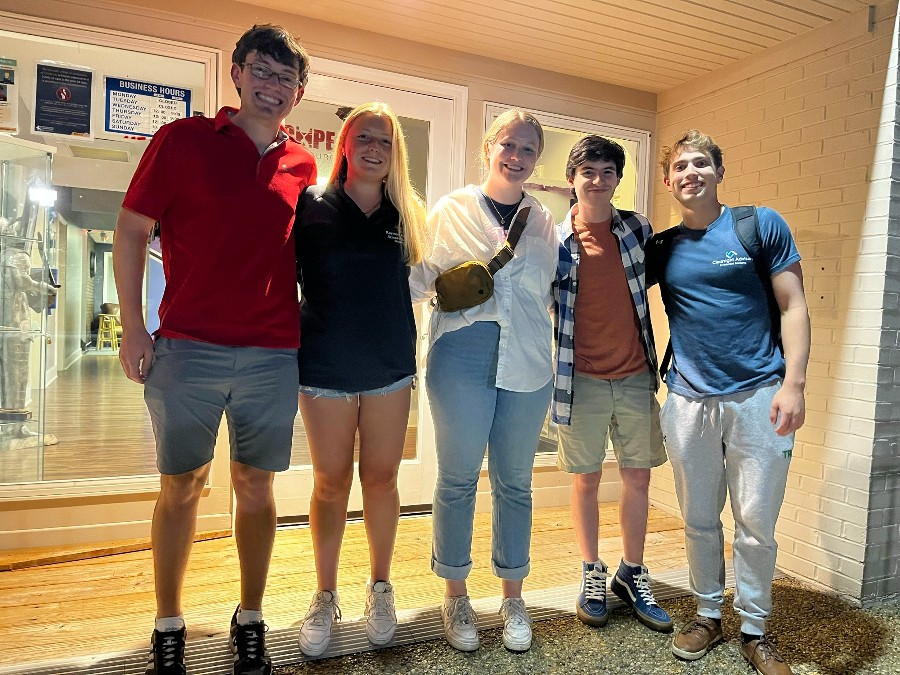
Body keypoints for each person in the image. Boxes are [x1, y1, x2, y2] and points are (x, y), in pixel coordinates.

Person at [112, 24, 315, 675]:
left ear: (298, 92)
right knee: (181, 487)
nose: (272, 85)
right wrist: (134, 326)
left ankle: (250, 617)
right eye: (262, 70)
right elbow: (131, 229)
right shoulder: (182, 140)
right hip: (187, 349)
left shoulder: (302, 165)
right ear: (236, 73)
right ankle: (168, 622)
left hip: (272, 353)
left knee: (256, 487)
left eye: (285, 78)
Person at [651, 130, 809, 675]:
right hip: (687, 400)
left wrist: (794, 384)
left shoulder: (758, 225)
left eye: (701, 163)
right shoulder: (663, 247)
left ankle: (755, 628)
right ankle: (707, 614)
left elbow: (793, 305)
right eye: (680, 166)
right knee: (698, 518)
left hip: (760, 396)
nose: (690, 173)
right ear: (667, 180)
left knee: (756, 521)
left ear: (719, 173)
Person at [409, 108, 557, 653]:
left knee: (516, 482)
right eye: (508, 145)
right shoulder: (451, 210)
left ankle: (513, 597)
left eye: (527, 149)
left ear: (536, 159)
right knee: (458, 478)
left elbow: (553, 294)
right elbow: (416, 281)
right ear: (489, 146)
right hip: (461, 358)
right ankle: (455, 594)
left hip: (528, 362)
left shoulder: (544, 221)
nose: (516, 157)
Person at [293, 102, 427, 656]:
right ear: (344, 143)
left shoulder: (407, 213)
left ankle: (380, 586)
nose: (375, 148)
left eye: (386, 141)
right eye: (365, 137)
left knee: (381, 478)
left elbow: (428, 280)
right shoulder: (311, 204)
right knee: (330, 483)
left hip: (389, 367)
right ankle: (325, 594)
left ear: (396, 154)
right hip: (324, 364)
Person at [552, 136, 672, 633]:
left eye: (607, 172)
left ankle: (632, 572)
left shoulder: (638, 229)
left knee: (638, 477)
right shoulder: (556, 240)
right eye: (588, 172)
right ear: (572, 179)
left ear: (618, 179)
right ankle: (591, 571)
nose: (598, 180)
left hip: (635, 373)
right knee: (586, 479)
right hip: (579, 378)